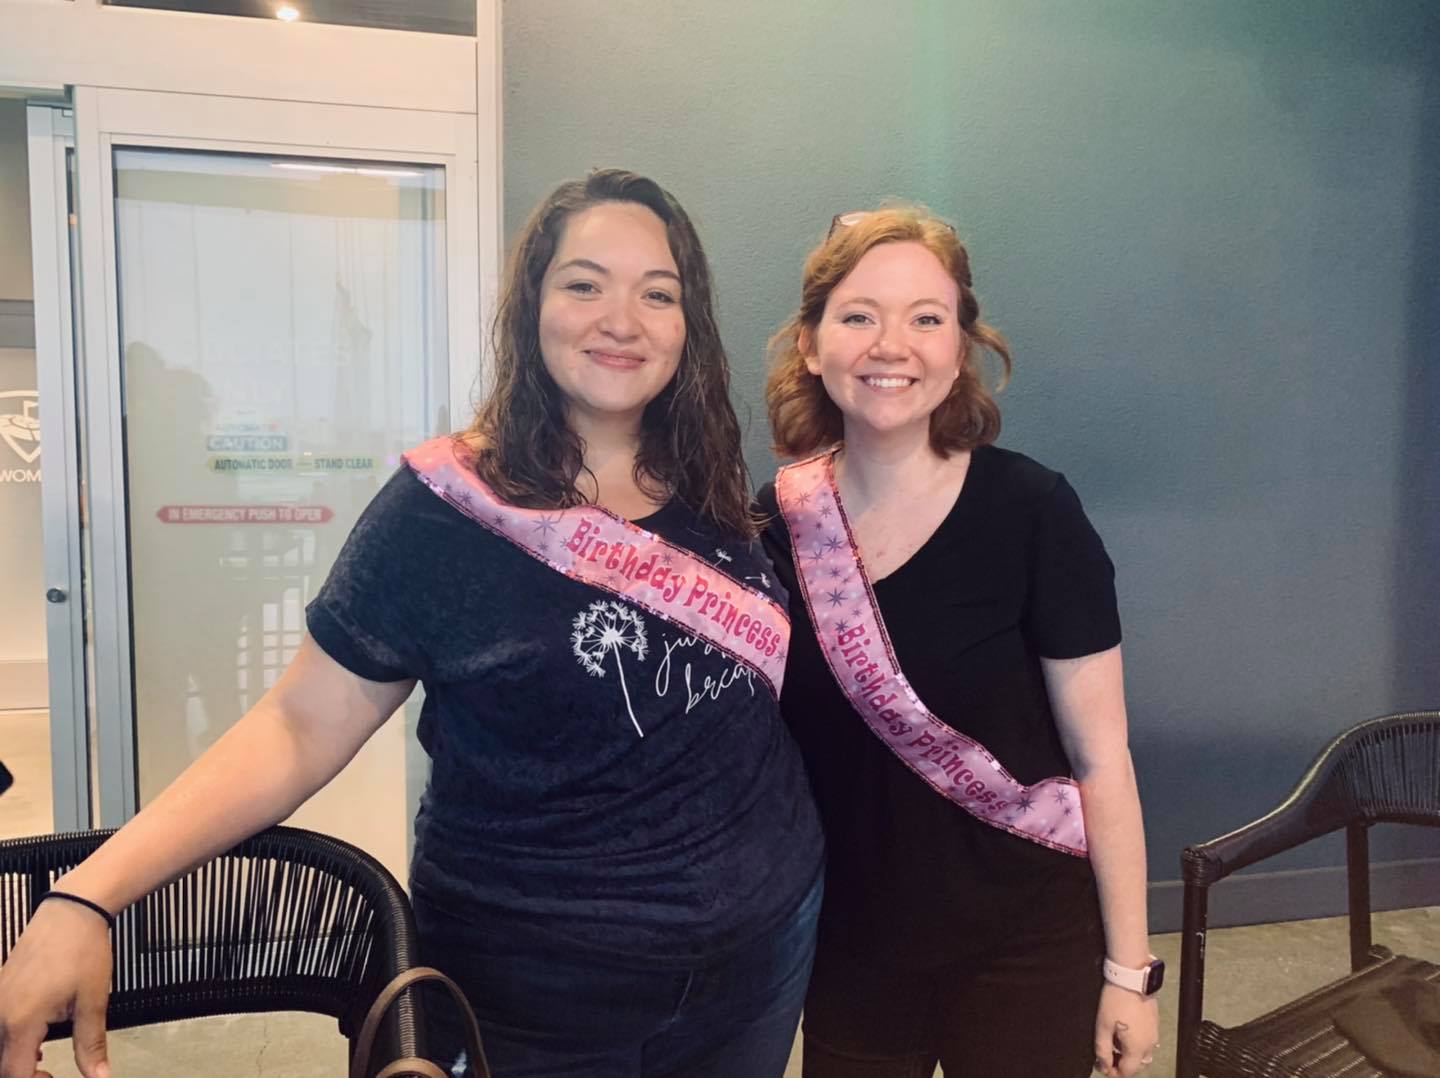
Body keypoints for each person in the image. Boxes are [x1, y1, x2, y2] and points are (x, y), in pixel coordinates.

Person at [0, 170, 824, 1078]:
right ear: (531, 306)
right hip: (539, 988)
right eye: (584, 284)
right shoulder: (441, 510)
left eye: (657, 294)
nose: (621, 320)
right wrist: (88, 896)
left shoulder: (711, 481)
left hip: (761, 953)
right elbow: (298, 725)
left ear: (688, 324)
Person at [757, 206, 1160, 1078]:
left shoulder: (1033, 512)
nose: (891, 346)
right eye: (858, 315)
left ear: (961, 346)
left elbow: (1103, 760)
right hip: (852, 947)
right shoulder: (773, 526)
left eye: (926, 318)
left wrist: (1129, 972)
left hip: (1026, 943)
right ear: (812, 345)